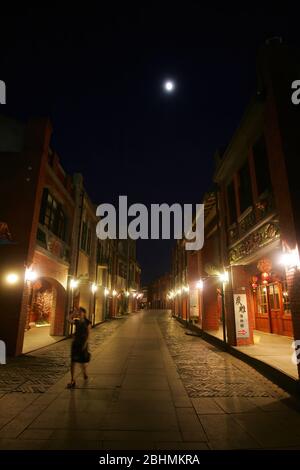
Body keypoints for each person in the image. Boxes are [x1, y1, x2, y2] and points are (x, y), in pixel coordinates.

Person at [67, 306, 91, 389]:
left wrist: (85, 344)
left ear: (84, 313)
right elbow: (68, 319)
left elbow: (88, 334)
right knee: (73, 361)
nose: (80, 313)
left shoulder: (88, 322)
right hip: (75, 343)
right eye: (79, 312)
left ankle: (84, 373)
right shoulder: (76, 321)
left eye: (81, 312)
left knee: (82, 361)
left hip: (83, 343)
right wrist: (73, 313)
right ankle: (72, 379)